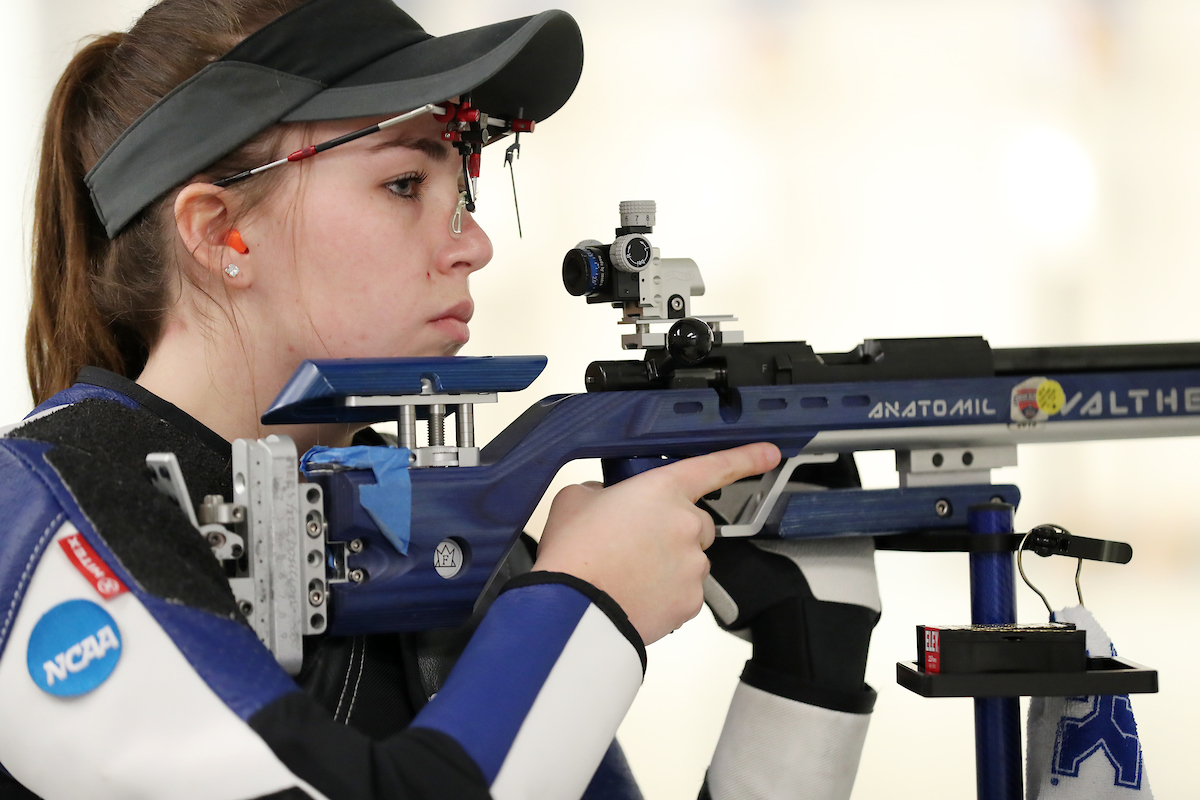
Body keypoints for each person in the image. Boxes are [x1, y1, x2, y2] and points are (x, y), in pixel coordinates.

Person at [0, 0, 878, 798]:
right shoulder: (35, 519)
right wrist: (583, 604)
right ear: (216, 231)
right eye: (404, 184)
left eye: (463, 185)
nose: (477, 244)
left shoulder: (439, 529)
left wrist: (810, 671)